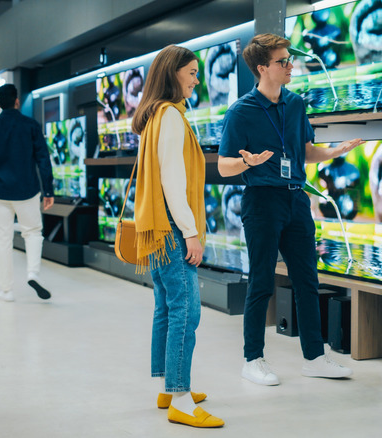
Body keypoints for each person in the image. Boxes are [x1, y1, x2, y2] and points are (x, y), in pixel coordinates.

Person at [218, 33, 362, 386]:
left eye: (289, 59)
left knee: (307, 281)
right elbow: (223, 166)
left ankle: (314, 357)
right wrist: (246, 163)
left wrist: (333, 152)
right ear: (262, 67)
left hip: (296, 199)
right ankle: (253, 359)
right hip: (262, 201)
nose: (290, 65)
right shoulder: (241, 112)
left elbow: (305, 151)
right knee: (262, 282)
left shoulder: (296, 104)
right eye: (283, 61)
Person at [131, 44, 224, 428]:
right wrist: (191, 233)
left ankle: (170, 386)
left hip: (156, 226)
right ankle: (181, 400)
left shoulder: (155, 114)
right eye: (191, 72)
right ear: (173, 74)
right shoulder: (169, 115)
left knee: (167, 307)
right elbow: (173, 181)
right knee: (187, 309)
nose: (197, 79)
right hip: (171, 226)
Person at [0, 84, 53, 302]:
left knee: (3, 239)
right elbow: (44, 160)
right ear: (17, 101)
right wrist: (49, 191)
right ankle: (32, 273)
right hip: (28, 190)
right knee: (33, 232)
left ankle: (6, 290)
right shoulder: (31, 126)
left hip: (0, 192)